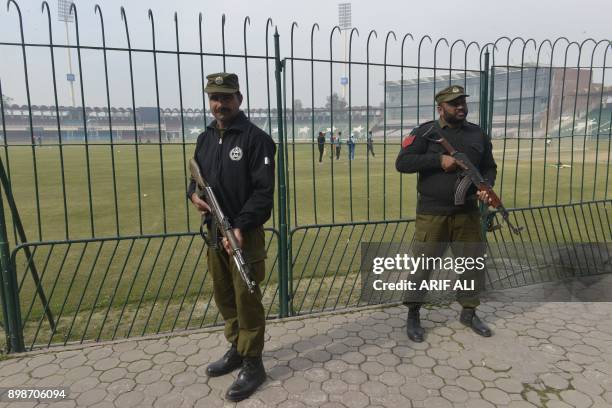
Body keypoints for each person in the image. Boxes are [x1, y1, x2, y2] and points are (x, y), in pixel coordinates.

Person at [188, 72, 276, 402]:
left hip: (244, 234)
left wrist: (238, 226)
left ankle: (254, 364)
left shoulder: (257, 139)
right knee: (224, 295)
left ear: (239, 99)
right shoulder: (205, 138)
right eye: (214, 97)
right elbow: (195, 177)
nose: (219, 104)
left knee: (246, 298)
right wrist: (193, 196)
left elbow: (264, 194)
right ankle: (236, 349)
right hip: (214, 232)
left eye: (226, 97)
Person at [395, 85, 497, 342]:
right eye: (455, 103)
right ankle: (414, 312)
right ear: (440, 108)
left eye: (463, 101)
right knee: (423, 266)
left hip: (468, 213)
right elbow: (403, 163)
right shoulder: (425, 132)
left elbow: (489, 167)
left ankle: (469, 312)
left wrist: (486, 187)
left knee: (472, 265)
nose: (461, 106)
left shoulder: (478, 134)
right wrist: (439, 161)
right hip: (433, 212)